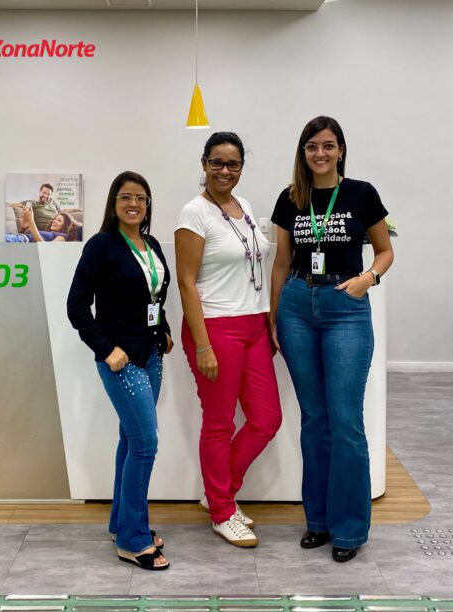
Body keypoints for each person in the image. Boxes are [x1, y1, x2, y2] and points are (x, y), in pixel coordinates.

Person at [269, 116, 394, 563]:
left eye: (327, 145)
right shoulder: (290, 199)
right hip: (297, 305)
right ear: (302, 153)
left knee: (345, 421)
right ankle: (318, 521)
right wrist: (274, 317)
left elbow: (385, 250)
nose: (319, 154)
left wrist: (368, 279)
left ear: (340, 149)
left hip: (345, 305)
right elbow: (281, 263)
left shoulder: (361, 193)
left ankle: (349, 529)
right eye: (311, 147)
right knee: (314, 419)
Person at [175, 132, 282, 548]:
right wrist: (202, 345)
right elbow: (186, 282)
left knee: (266, 419)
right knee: (219, 423)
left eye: (232, 164)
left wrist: (267, 318)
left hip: (253, 325)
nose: (224, 171)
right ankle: (222, 511)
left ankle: (219, 492)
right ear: (204, 164)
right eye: (217, 163)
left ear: (241, 168)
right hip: (215, 326)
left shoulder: (245, 207)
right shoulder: (194, 213)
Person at [67, 171, 172, 571]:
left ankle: (121, 523)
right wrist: (105, 348)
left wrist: (163, 329)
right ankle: (132, 540)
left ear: (148, 205)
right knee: (145, 444)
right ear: (114, 203)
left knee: (131, 441)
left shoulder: (151, 244)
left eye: (141, 198)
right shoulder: (101, 246)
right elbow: (77, 306)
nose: (134, 204)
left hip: (151, 354)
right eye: (126, 197)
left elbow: (154, 295)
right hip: (120, 359)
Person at [5, 208, 79, 242]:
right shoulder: (47, 233)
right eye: (55, 219)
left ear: (65, 225)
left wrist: (31, 221)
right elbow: (23, 236)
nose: (54, 221)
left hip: (19, 240)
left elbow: (45, 249)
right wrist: (23, 228)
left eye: (59, 220)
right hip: (16, 237)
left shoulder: (62, 236)